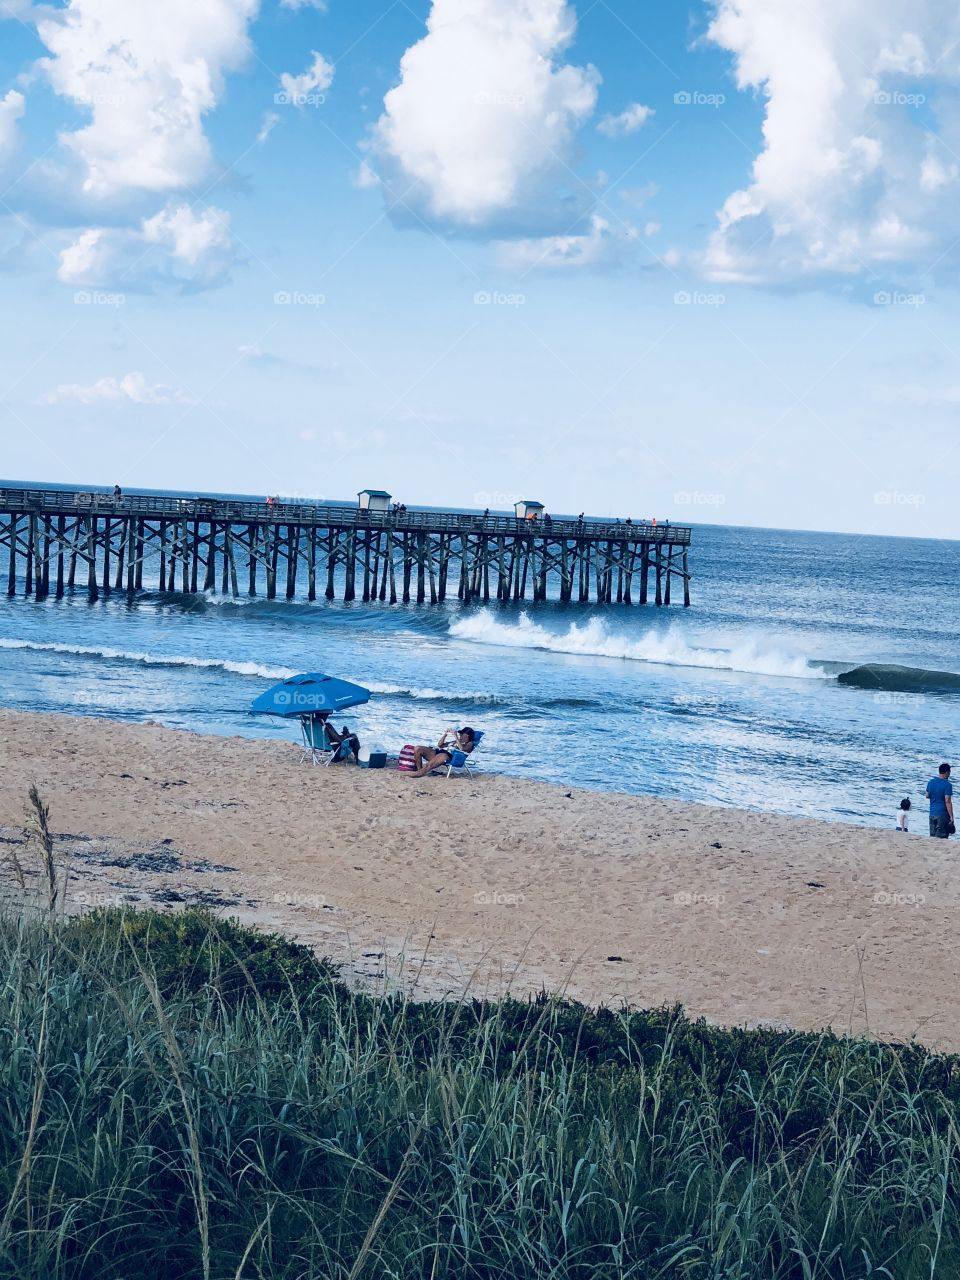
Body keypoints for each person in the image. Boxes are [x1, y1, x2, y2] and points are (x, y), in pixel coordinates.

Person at [410, 726, 476, 777]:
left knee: (431, 763)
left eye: (462, 733)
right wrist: (445, 734)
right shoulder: (455, 741)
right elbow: (440, 745)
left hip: (448, 756)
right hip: (439, 752)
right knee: (417, 748)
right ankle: (419, 770)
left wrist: (456, 737)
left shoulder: (470, 743)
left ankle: (421, 773)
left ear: (467, 735)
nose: (460, 734)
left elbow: (462, 749)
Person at [925, 763, 954, 838]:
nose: (949, 775)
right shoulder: (948, 785)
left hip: (932, 813)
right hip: (943, 815)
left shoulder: (931, 782)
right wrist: (951, 817)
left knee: (932, 836)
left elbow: (927, 795)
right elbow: (947, 801)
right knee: (941, 837)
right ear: (947, 772)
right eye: (949, 772)